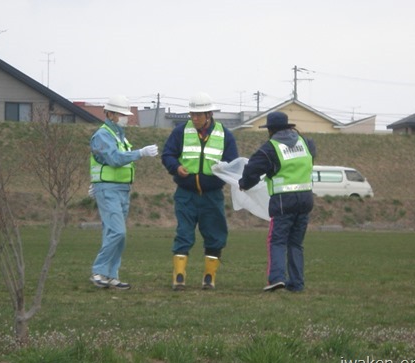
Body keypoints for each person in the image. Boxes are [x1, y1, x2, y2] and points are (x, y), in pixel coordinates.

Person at [162, 92, 239, 290]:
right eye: (192, 114)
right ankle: (179, 277)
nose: (194, 118)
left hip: (212, 195)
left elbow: (233, 162)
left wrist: (223, 167)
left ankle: (209, 278)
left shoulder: (225, 135)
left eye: (198, 115)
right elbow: (168, 154)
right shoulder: (180, 132)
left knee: (215, 235)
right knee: (184, 234)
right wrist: (175, 167)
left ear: (209, 114)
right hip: (185, 194)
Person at [238, 111, 316, 292]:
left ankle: (276, 278)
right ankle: (297, 283)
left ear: (271, 130)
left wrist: (244, 184)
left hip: (283, 201)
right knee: (295, 243)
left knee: (277, 240)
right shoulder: (306, 143)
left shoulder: (270, 148)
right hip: (305, 199)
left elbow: (252, 170)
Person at [89, 95, 159, 289]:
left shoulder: (119, 135)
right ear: (110, 114)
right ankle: (99, 270)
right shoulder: (103, 135)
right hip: (109, 189)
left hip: (121, 189)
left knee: (115, 233)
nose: (125, 118)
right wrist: (141, 153)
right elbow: (114, 159)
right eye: (121, 114)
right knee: (117, 232)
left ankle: (111, 275)